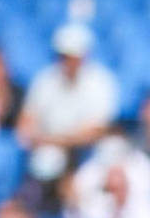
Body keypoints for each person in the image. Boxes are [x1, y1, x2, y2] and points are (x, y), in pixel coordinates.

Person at [18, 24, 120, 169]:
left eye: (71, 56)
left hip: (87, 155)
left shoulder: (100, 82)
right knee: (45, 162)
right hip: (47, 151)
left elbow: (96, 131)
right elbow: (26, 121)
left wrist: (55, 141)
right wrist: (39, 139)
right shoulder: (45, 80)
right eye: (63, 56)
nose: (67, 62)